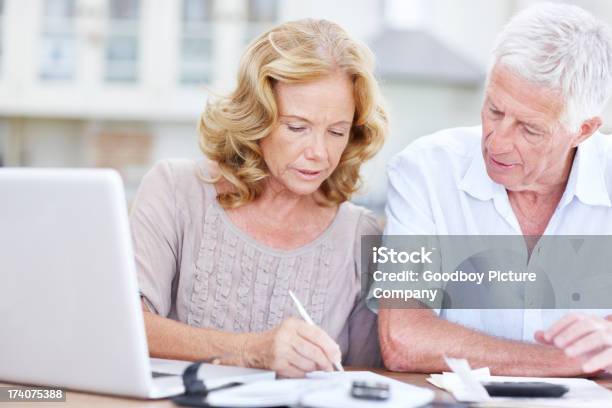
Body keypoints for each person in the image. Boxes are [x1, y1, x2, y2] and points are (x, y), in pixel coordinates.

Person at [130, 19, 388, 378]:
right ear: (257, 119)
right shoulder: (175, 190)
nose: (319, 152)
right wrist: (250, 351)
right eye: (297, 127)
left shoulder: (362, 234)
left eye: (336, 132)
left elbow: (367, 376)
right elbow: (128, 326)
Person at [377, 3, 612, 376]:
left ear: (583, 130)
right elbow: (403, 337)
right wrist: (568, 361)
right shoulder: (422, 170)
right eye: (494, 110)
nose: (497, 143)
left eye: (529, 129)